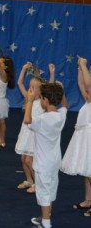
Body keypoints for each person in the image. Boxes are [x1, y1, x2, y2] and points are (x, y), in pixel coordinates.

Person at [24, 83, 68, 228]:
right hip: (55, 162)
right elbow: (65, 106)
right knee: (51, 190)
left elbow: (27, 121)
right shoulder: (61, 115)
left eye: (41, 98)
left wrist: (29, 100)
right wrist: (61, 91)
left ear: (45, 100)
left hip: (43, 163)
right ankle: (45, 216)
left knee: (43, 193)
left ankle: (46, 224)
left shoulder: (41, 120)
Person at [15, 62, 55, 193]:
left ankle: (38, 184)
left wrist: (52, 73)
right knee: (23, 159)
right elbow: (20, 83)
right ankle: (29, 180)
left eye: (34, 87)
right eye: (30, 86)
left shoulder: (43, 101)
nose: (30, 89)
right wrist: (23, 68)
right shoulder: (29, 98)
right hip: (26, 132)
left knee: (29, 160)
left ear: (41, 90)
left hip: (34, 133)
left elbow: (51, 87)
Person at [61, 57, 91, 216]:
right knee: (87, 170)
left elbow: (88, 85)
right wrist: (80, 68)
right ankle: (88, 199)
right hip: (85, 136)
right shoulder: (88, 99)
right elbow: (82, 84)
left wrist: (84, 65)